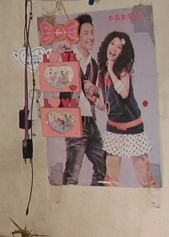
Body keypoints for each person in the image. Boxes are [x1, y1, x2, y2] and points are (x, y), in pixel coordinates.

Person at [96, 31, 158, 188]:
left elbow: (124, 93)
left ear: (123, 52)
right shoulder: (101, 74)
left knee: (145, 178)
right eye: (112, 44)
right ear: (106, 45)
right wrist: (91, 96)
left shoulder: (123, 71)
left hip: (132, 128)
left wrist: (111, 71)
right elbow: (103, 105)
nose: (114, 48)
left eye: (119, 47)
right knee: (110, 179)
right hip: (113, 129)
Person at [60, 14, 107, 185]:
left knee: (103, 169)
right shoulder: (67, 58)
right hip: (74, 122)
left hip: (91, 122)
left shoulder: (93, 64)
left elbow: (100, 100)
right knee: (72, 175)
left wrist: (94, 90)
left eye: (92, 32)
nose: (91, 37)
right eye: (85, 33)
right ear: (76, 36)